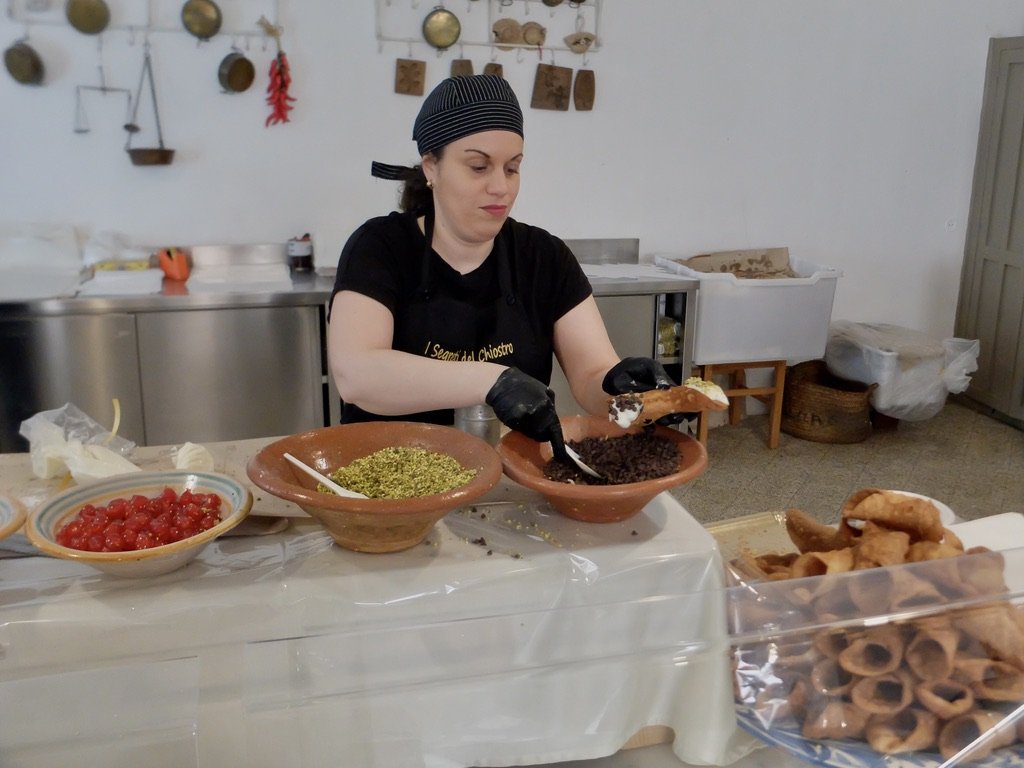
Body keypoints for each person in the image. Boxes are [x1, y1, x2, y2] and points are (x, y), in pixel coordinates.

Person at [327, 74, 679, 460]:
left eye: (512, 168)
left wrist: (627, 391)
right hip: (385, 473)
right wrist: (493, 380)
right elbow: (357, 374)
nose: (501, 187)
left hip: (507, 471)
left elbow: (592, 375)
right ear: (431, 166)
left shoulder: (544, 257)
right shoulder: (380, 247)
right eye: (479, 167)